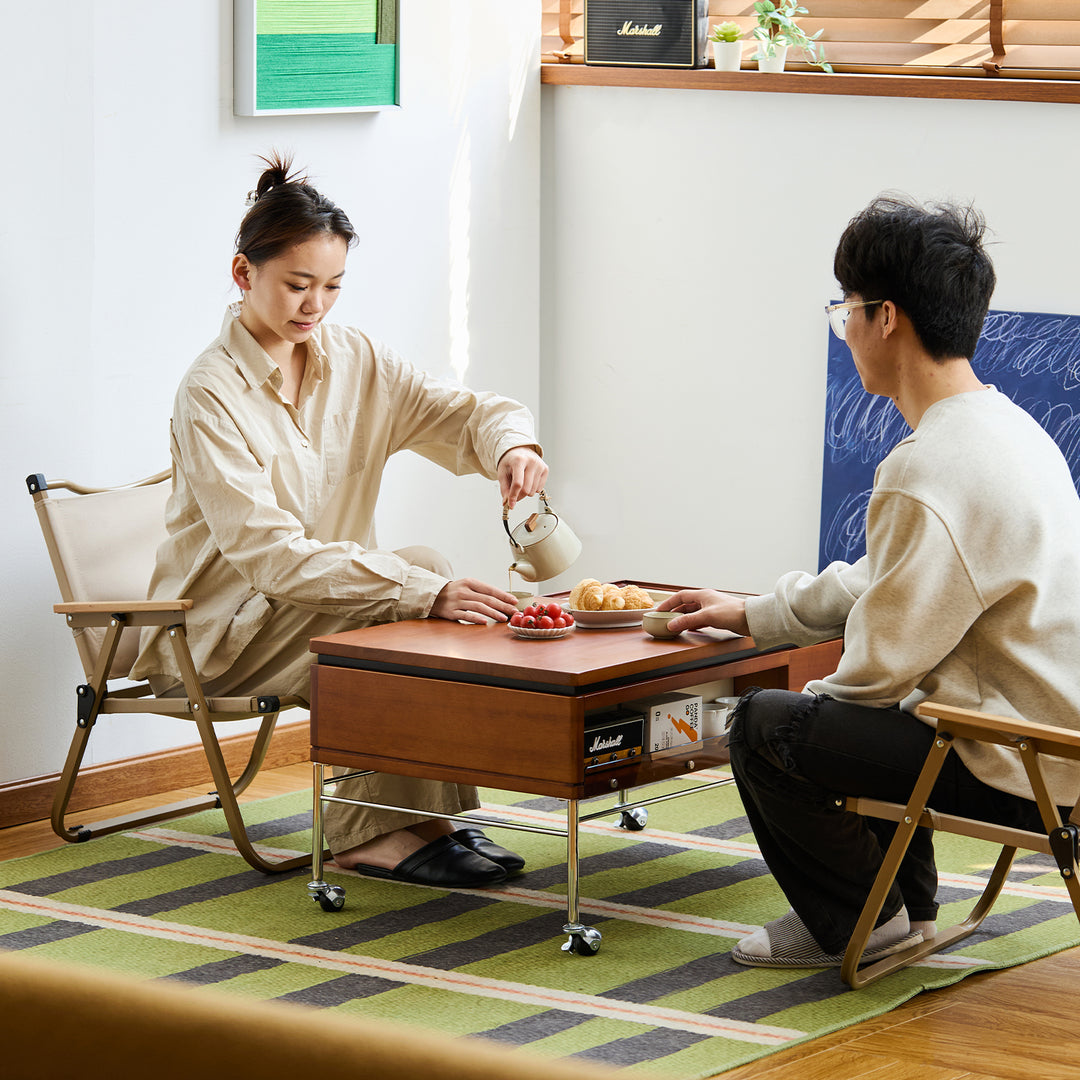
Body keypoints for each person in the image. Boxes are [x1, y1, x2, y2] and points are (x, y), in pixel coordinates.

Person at [658, 195, 1080, 967]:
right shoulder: (1009, 430)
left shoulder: (929, 467)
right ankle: (907, 910)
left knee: (767, 727)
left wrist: (800, 714)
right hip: (1055, 744)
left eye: (845, 309)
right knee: (880, 715)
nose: (844, 327)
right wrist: (753, 614)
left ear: (885, 318)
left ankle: (861, 920)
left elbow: (875, 675)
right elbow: (891, 582)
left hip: (1023, 765)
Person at [132, 153, 548, 888]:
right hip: (224, 633)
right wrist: (419, 591)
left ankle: (420, 820)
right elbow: (271, 558)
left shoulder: (356, 360)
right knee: (408, 598)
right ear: (243, 273)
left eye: (331, 286)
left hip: (314, 607)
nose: (314, 305)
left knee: (426, 570)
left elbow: (465, 413)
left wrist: (512, 447)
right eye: (298, 285)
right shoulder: (209, 393)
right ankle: (370, 834)